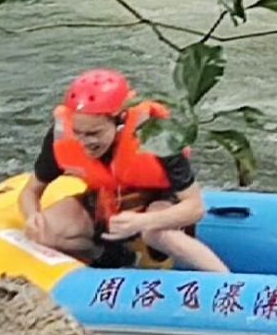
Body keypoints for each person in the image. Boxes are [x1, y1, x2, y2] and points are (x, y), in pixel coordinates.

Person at [19, 68, 228, 272]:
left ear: (120, 120)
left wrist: (141, 221)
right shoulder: (61, 136)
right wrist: (32, 216)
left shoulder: (159, 135)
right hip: (107, 200)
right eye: (78, 132)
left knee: (155, 233)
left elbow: (195, 207)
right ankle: (112, 256)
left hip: (159, 202)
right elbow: (30, 191)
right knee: (43, 232)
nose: (83, 142)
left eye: (94, 133)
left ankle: (226, 281)